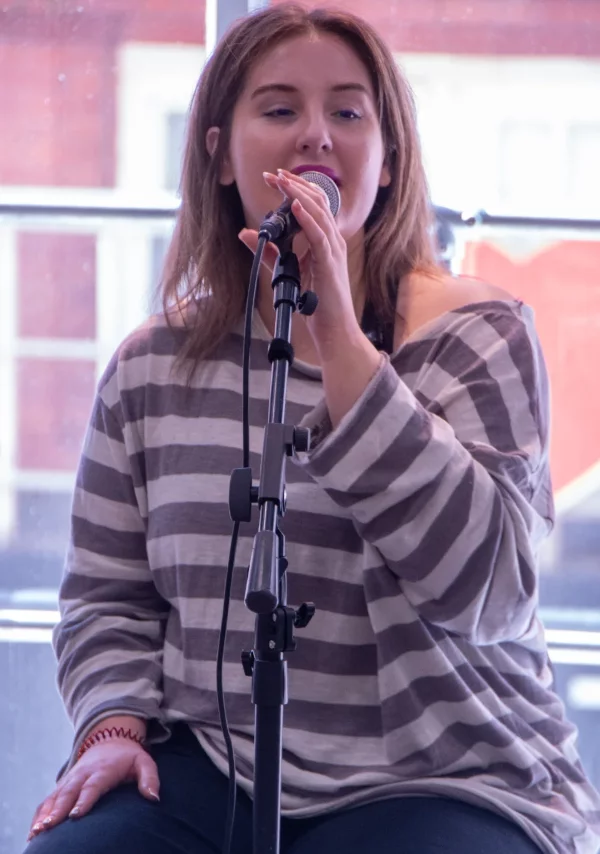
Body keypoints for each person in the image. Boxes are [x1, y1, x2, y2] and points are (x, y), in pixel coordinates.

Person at [24, 4, 600, 854]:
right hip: (213, 758)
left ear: (389, 160)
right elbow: (108, 595)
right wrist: (112, 725)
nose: (316, 136)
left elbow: (491, 591)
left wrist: (339, 337)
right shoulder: (152, 365)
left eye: (348, 112)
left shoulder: (477, 334)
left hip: (445, 773)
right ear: (220, 153)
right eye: (280, 108)